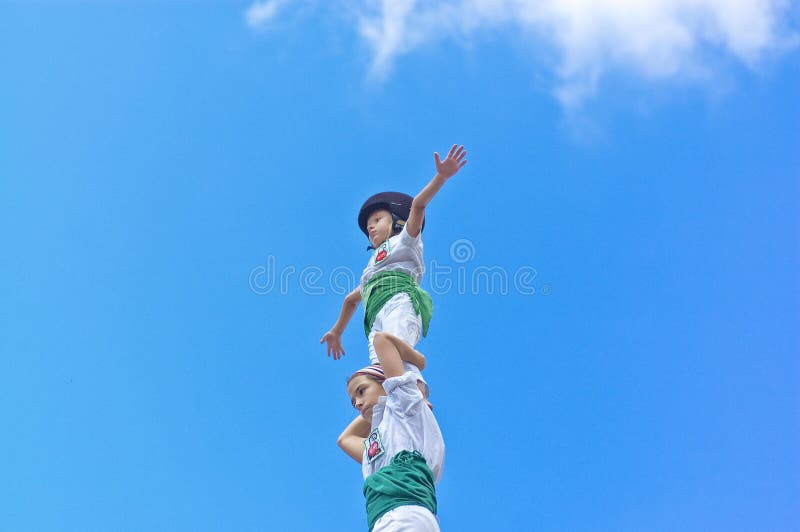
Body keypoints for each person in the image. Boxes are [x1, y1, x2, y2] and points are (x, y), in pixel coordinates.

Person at [320, 145, 468, 392]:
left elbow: (419, 205)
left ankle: (416, 395)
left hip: (399, 301)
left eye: (377, 220)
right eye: (369, 226)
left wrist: (441, 177)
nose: (371, 228)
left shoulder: (405, 241)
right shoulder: (371, 269)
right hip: (374, 316)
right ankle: (392, 405)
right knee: (381, 365)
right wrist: (336, 331)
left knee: (396, 351)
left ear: (398, 221)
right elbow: (350, 300)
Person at [338, 332, 445, 531]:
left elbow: (381, 340)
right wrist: (374, 406)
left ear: (386, 383)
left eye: (361, 391)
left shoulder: (405, 406)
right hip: (382, 519)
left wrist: (417, 362)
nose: (358, 402)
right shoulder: (378, 443)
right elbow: (344, 439)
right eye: (353, 402)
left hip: (406, 514)